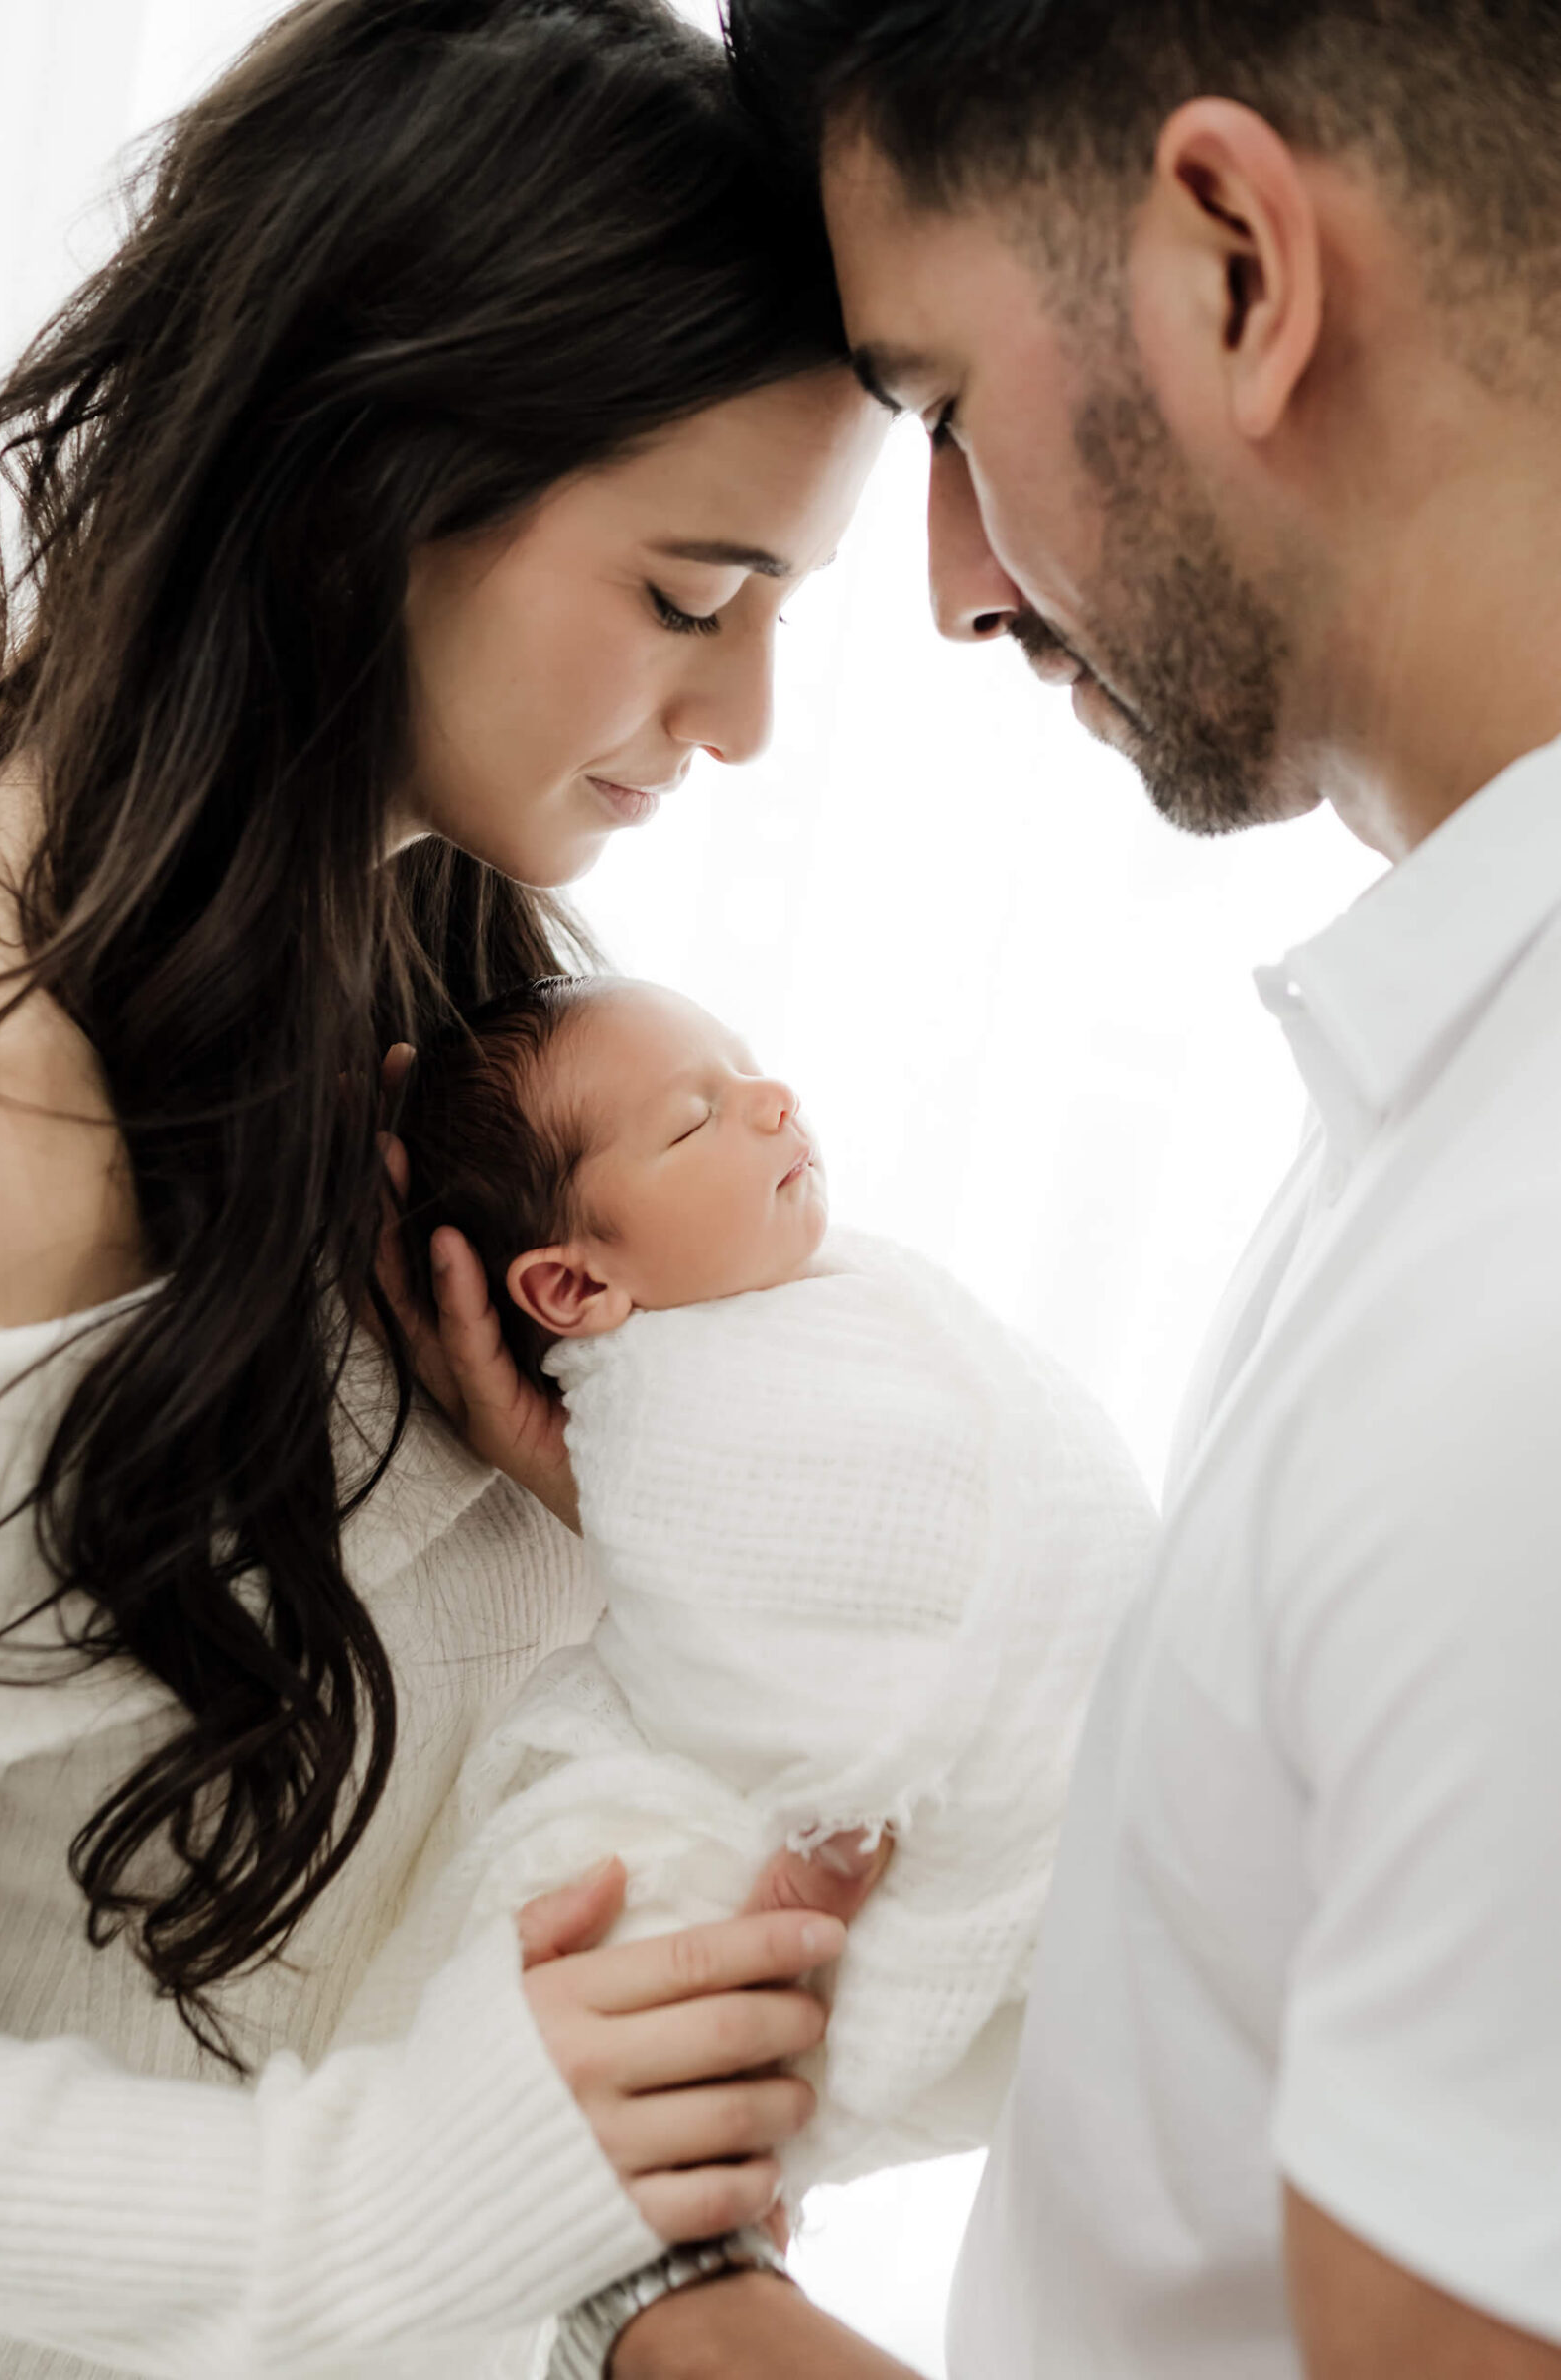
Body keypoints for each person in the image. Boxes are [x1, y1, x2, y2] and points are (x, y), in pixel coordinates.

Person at [571, 0, 1561, 2372]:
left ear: (1232, 260)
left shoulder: (1513, 1317)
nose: (943, 583)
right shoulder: (1442, 1100)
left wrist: (663, 2306)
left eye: (930, 409)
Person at [0, 1, 893, 2371]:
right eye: (695, 597)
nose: (744, 721)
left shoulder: (432, 985)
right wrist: (400, 2196)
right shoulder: (5, 1101)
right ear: (358, 484)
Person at [352, 973, 1149, 2201]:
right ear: (572, 1290)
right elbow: (747, 1636)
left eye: (746, 1069)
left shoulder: (833, 1303)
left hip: (1143, 1769)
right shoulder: (666, 1425)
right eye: (693, 1119)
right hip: (997, 1847)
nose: (774, 1101)